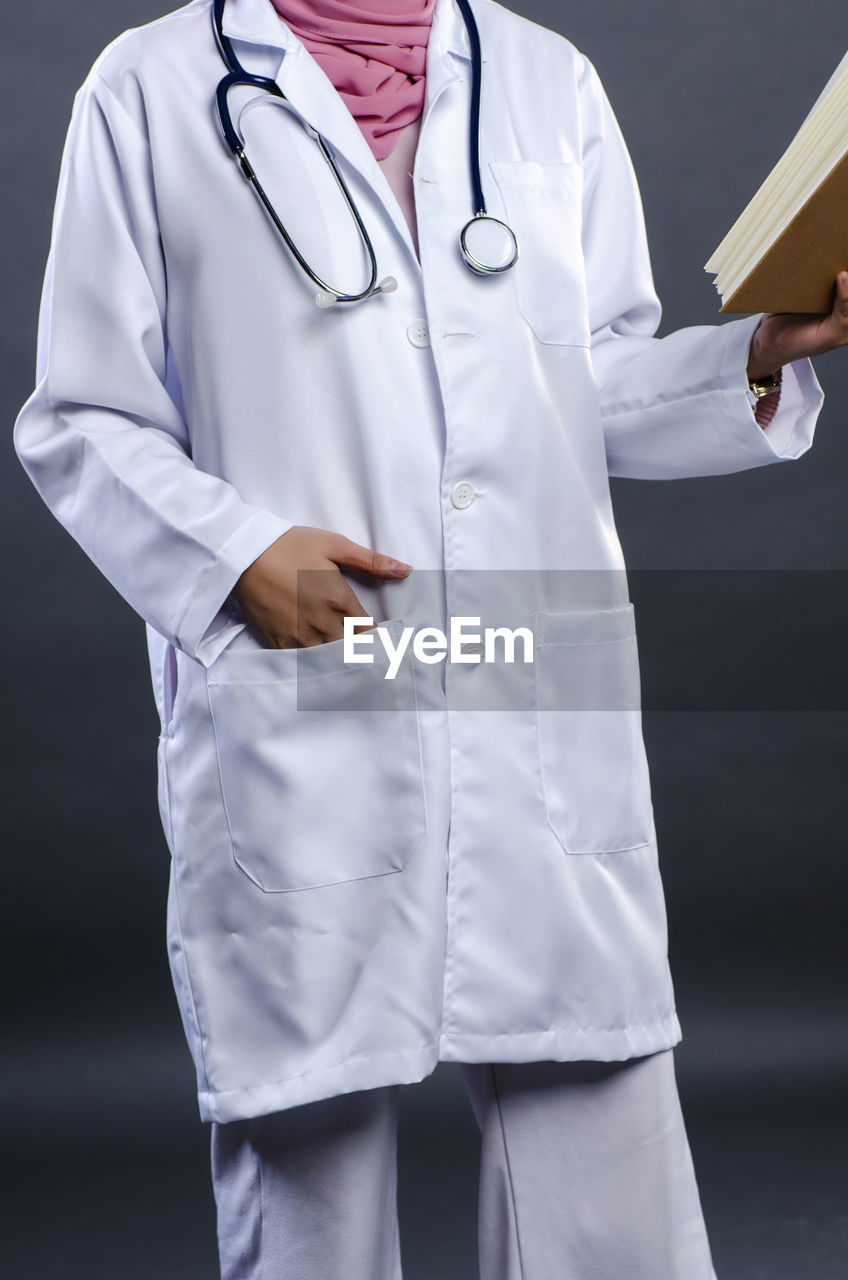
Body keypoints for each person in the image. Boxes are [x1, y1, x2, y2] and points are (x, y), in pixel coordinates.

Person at [13, 0, 848, 1276]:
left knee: (602, 1159)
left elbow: (590, 376)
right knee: (313, 1169)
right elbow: (80, 415)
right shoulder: (150, 84)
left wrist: (753, 353)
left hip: (528, 663)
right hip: (316, 659)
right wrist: (233, 553)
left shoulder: (543, 76)